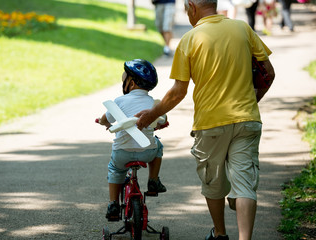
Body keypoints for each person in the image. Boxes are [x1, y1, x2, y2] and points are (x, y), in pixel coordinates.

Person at [135, 0, 275, 239]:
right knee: (245, 186)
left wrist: (151, 115)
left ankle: (220, 234)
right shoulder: (243, 28)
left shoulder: (190, 39)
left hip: (211, 124)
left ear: (192, 6)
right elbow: (268, 73)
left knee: (213, 183)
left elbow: (178, 92)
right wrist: (253, 101)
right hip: (247, 120)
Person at [96, 59, 167, 222]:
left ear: (132, 83)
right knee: (158, 145)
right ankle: (153, 181)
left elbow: (105, 118)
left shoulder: (119, 102)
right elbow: (162, 119)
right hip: (146, 153)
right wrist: (161, 122)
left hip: (123, 153)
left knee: (115, 169)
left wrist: (104, 122)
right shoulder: (152, 103)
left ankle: (113, 203)